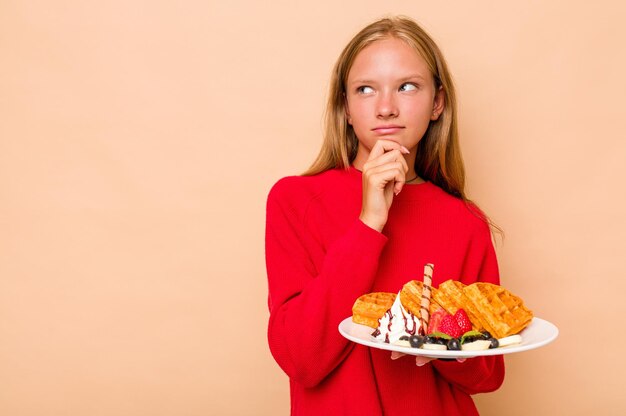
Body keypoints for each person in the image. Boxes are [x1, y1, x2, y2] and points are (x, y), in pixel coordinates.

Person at [265, 16, 504, 415]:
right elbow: (301, 360)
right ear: (345, 107)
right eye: (365, 89)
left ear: (437, 103)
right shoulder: (295, 200)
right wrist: (368, 225)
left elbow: (488, 374)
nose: (387, 108)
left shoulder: (466, 221)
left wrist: (446, 345)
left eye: (407, 86)